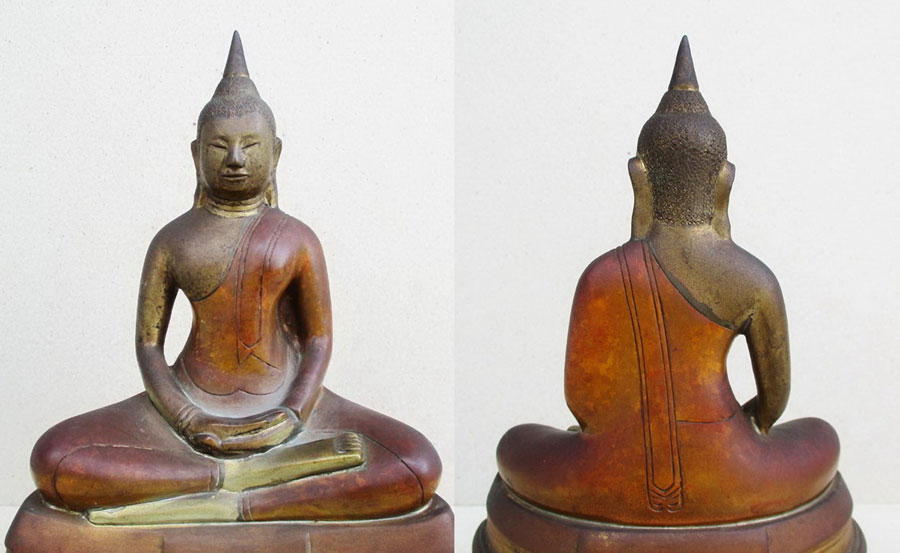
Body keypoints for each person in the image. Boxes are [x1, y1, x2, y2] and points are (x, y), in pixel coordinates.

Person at [29, 32, 440, 524]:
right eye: (219, 146)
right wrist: (188, 418)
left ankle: (241, 500)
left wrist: (291, 414)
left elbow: (319, 340)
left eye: (251, 145)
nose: (236, 160)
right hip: (186, 412)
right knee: (57, 458)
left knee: (414, 464)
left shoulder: (297, 239)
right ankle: (226, 481)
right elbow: (148, 347)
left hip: (290, 412)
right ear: (195, 153)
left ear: (277, 153)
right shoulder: (172, 240)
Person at [495, 37, 839, 526]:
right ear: (724, 182)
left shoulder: (602, 275)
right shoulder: (754, 280)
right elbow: (773, 403)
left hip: (610, 470)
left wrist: (614, 438)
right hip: (732, 468)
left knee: (515, 445)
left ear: (639, 179)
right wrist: (741, 434)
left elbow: (581, 401)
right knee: (821, 436)